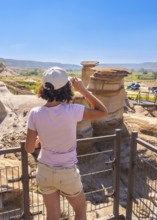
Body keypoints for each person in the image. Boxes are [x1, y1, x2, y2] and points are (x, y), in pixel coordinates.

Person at [25, 66, 108, 220]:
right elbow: (103, 111)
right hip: (66, 173)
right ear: (65, 89)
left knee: (52, 216)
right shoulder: (72, 110)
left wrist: (41, 139)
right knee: (80, 211)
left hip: (44, 172)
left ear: (44, 88)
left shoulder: (35, 113)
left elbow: (29, 148)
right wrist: (83, 90)